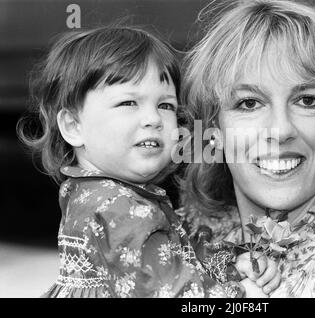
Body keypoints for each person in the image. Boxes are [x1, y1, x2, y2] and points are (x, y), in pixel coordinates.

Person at [17, 25, 279, 298]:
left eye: (165, 106)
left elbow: (170, 257)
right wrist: (239, 295)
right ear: (73, 126)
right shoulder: (121, 209)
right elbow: (169, 291)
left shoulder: (88, 192)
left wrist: (228, 264)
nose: (153, 119)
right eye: (129, 103)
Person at [178, 0, 315, 297]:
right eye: (249, 103)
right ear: (213, 132)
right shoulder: (192, 231)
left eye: (307, 100)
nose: (280, 131)